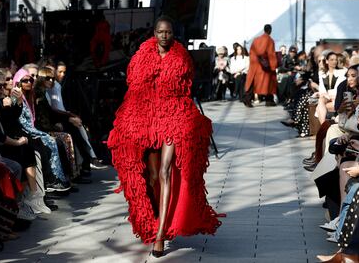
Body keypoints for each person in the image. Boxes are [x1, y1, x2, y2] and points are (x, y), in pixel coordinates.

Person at [107, 16, 222, 258]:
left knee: (165, 171)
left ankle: (160, 236)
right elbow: (133, 86)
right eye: (160, 32)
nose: (164, 36)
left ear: (173, 34)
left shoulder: (181, 58)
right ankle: (155, 219)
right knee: (150, 175)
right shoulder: (141, 57)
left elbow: (187, 87)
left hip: (173, 118)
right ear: (155, 33)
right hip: (146, 120)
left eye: (168, 32)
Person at [244, 24, 278, 107]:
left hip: (255, 64)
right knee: (268, 83)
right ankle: (269, 100)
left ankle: (247, 99)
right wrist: (273, 65)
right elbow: (271, 54)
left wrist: (253, 62)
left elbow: (252, 52)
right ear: (270, 30)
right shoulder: (270, 40)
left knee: (252, 82)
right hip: (265, 67)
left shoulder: (256, 40)